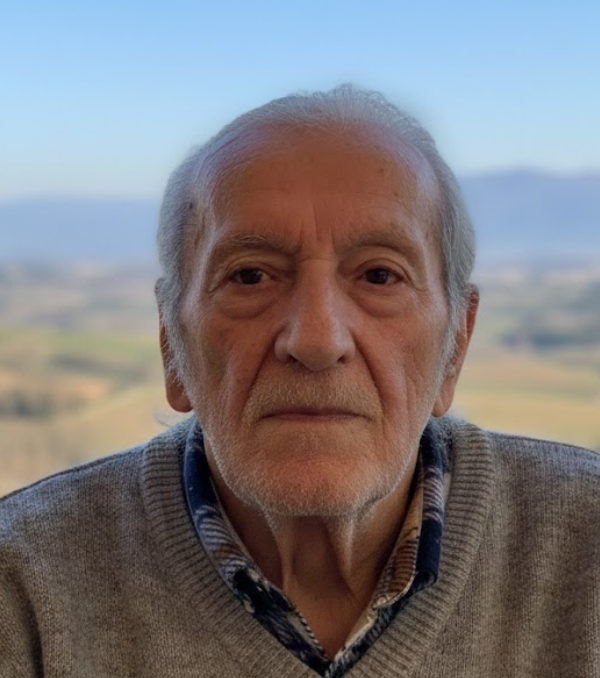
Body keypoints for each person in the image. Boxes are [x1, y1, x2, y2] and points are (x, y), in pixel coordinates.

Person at [1, 85, 599, 678]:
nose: (317, 340)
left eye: (380, 275)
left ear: (455, 346)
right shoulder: (23, 585)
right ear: (171, 344)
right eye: (251, 275)